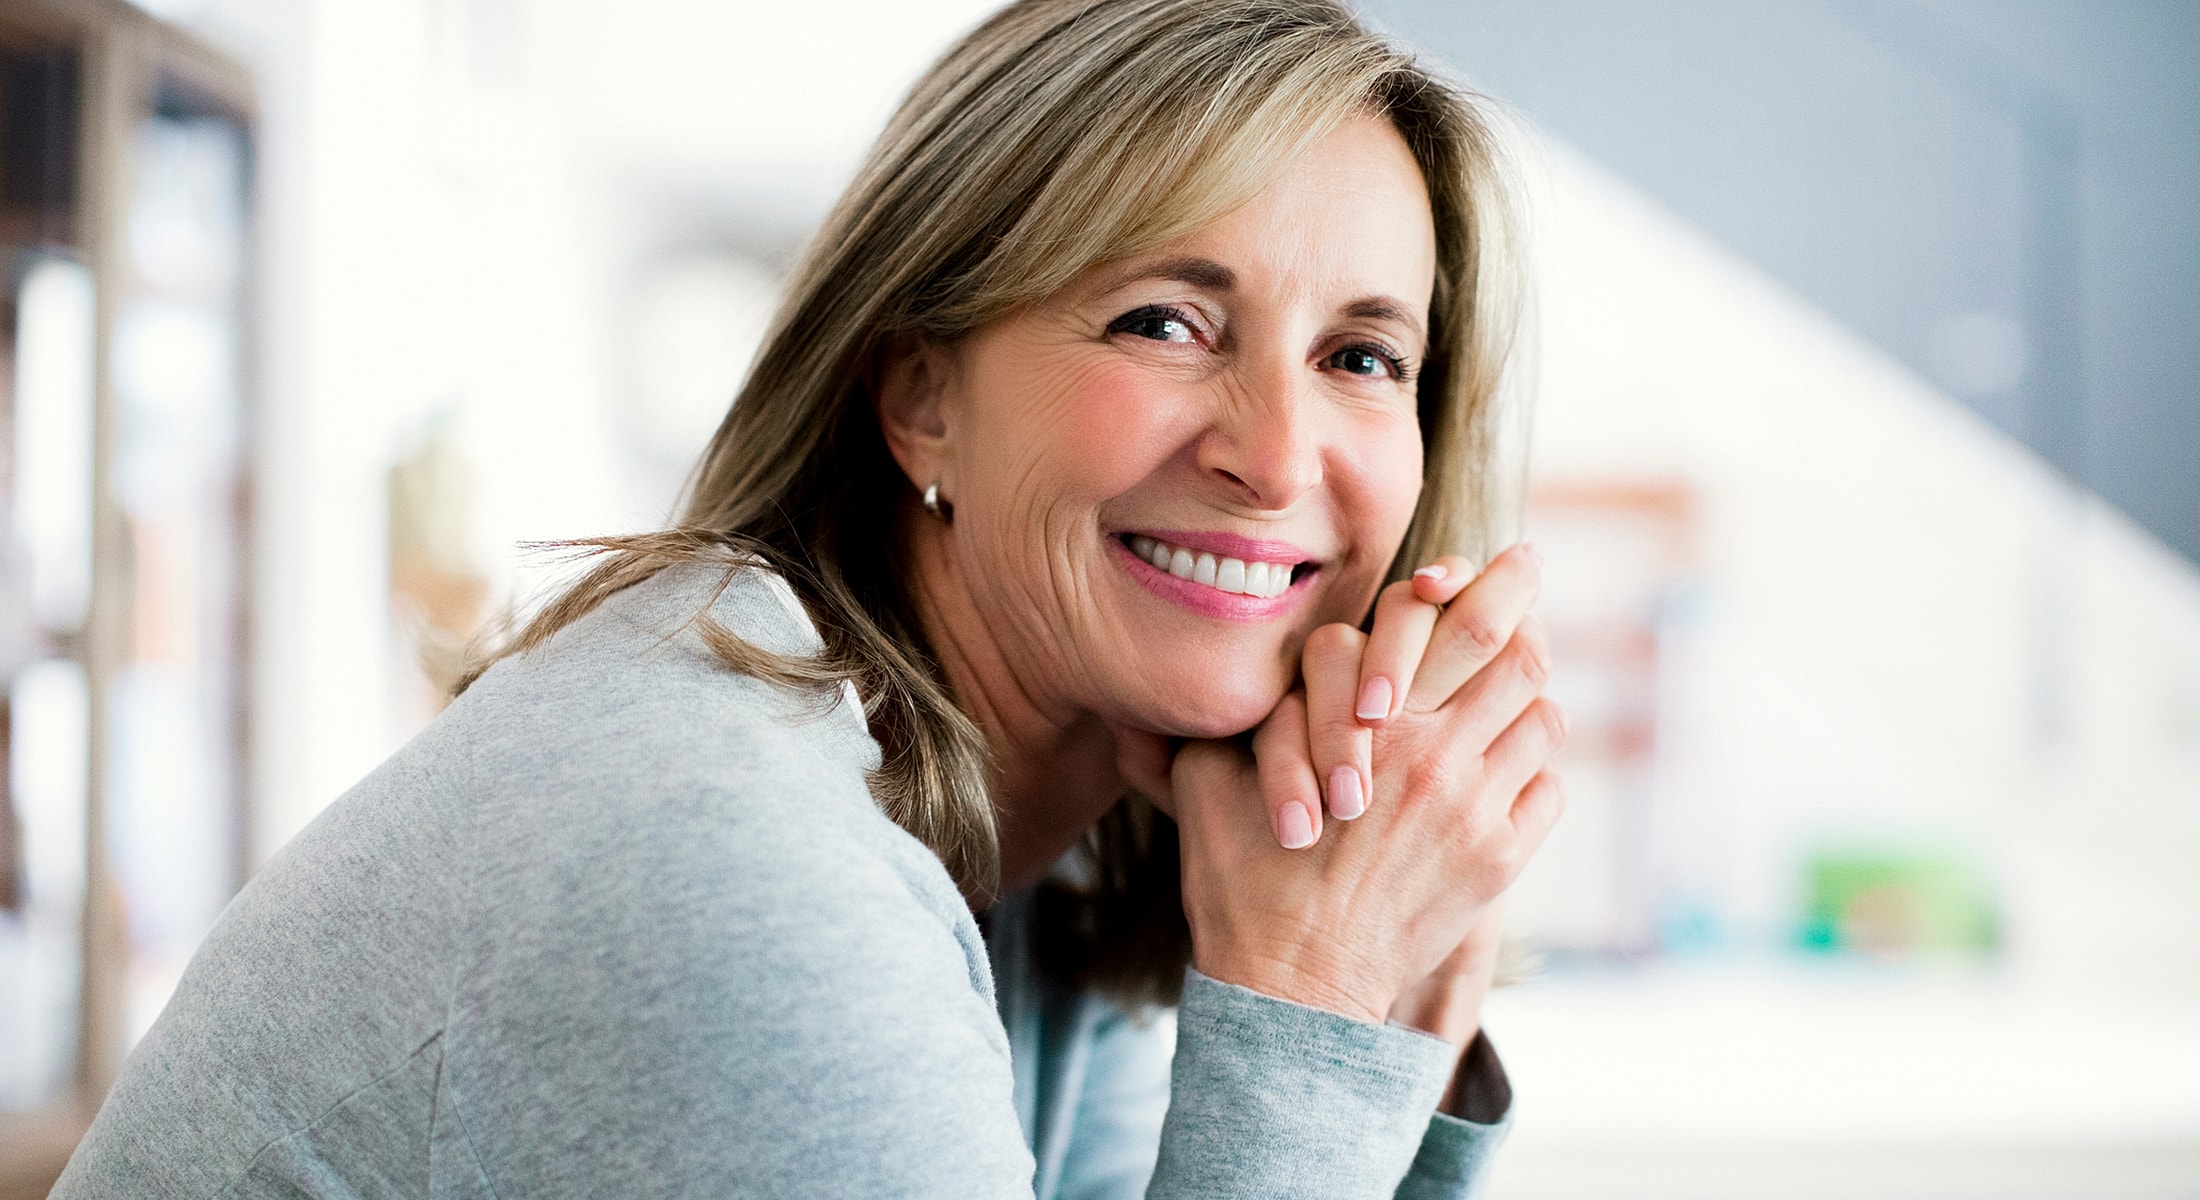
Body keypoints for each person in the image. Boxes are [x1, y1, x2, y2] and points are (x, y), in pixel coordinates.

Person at [51, 0, 1566, 1195]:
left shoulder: (1039, 837)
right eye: (1164, 321)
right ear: (921, 398)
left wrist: (1405, 1023)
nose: (1278, 451)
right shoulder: (738, 858)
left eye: (1362, 356)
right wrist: (1313, 1003)